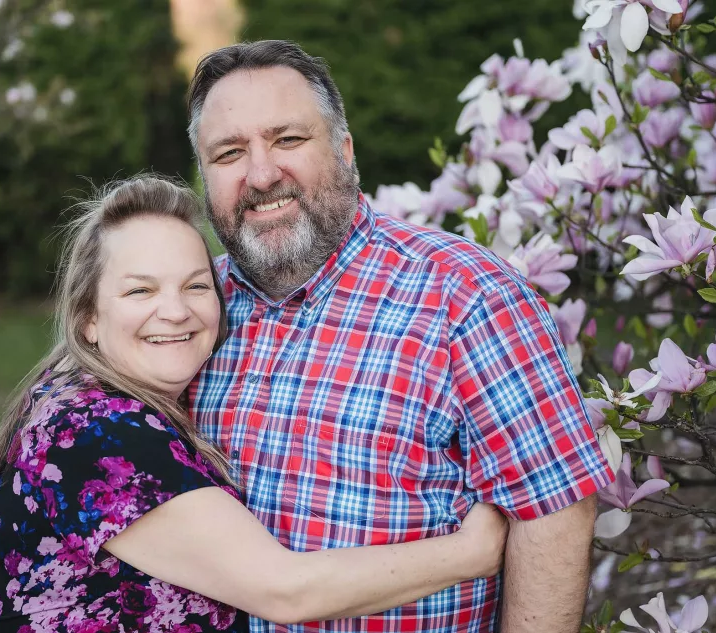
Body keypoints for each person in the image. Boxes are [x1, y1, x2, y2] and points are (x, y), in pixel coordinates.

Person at [186, 41, 615, 633]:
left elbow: (555, 509)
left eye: (288, 140)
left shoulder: (467, 295)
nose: (261, 174)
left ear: (343, 149)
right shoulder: (186, 309)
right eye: (230, 153)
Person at [0, 176, 508, 633]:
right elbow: (285, 591)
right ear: (88, 318)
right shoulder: (96, 433)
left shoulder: (69, 394)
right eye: (140, 291)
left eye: (195, 285)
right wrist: (471, 553)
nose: (175, 311)